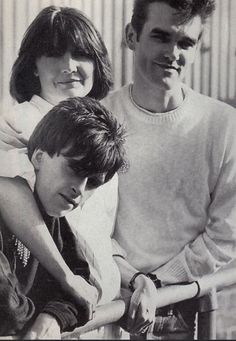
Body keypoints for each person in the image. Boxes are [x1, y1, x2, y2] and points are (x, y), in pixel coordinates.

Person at [101, 0, 236, 339]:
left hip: (187, 306)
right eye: (160, 37)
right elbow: (84, 226)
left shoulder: (223, 125)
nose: (173, 53)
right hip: (110, 302)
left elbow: (226, 235)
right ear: (132, 36)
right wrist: (132, 279)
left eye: (186, 43)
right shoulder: (98, 119)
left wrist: (158, 284)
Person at [0, 5, 121, 312]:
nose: (69, 65)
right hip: (45, 314)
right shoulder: (13, 127)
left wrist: (135, 281)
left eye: (81, 54)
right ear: (34, 67)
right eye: (54, 54)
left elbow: (99, 239)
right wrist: (68, 288)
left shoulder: (101, 137)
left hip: (97, 313)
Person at [0, 96, 126, 339]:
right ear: (38, 157)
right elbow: (7, 312)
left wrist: (53, 317)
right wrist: (40, 317)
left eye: (93, 183)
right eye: (75, 169)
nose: (80, 188)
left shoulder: (56, 222)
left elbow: (84, 285)